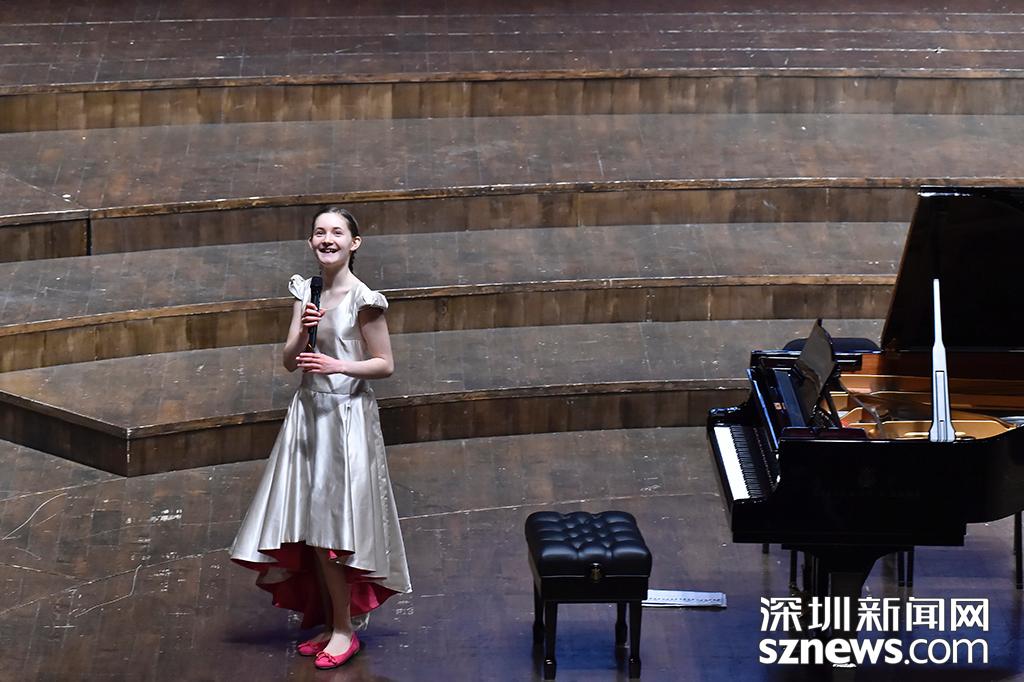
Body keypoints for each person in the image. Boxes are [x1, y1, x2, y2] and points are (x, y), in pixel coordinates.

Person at [231, 207, 411, 670]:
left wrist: (337, 365)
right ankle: (333, 624)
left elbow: (385, 363)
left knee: (335, 531)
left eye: (337, 232)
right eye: (319, 232)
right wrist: (304, 330)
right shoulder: (307, 291)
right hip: (309, 414)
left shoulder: (364, 299)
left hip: (345, 418)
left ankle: (345, 630)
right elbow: (289, 359)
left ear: (354, 243)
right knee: (311, 526)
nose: (326, 239)